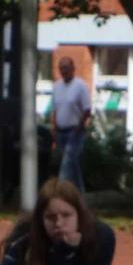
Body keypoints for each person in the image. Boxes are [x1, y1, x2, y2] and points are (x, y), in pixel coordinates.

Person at [49, 54, 92, 189]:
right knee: (73, 165)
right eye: (61, 68)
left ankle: (60, 191)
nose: (64, 71)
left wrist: (79, 127)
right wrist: (54, 128)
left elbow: (87, 110)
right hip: (61, 131)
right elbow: (55, 109)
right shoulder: (56, 87)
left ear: (73, 68)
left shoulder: (80, 86)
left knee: (67, 165)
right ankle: (80, 193)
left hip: (75, 131)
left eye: (66, 67)